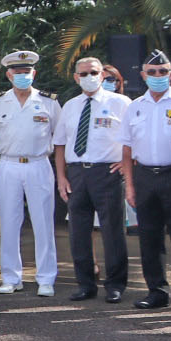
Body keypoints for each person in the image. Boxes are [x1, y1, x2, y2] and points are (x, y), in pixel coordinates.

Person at [121, 49, 171, 312]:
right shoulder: (134, 107)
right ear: (143, 75)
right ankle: (156, 291)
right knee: (149, 239)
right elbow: (127, 150)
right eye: (151, 72)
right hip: (144, 176)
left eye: (162, 72)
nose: (157, 76)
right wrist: (129, 185)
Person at [0, 52, 62, 296]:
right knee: (8, 221)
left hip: (39, 164)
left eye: (26, 72)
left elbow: (59, 136)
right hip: (9, 164)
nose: (22, 76)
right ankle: (10, 277)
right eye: (17, 73)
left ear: (33, 74)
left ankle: (46, 278)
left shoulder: (49, 102)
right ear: (9, 75)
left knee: (43, 222)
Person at [54, 54, 131, 302]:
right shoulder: (70, 105)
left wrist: (127, 162)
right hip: (77, 172)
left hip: (107, 172)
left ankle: (115, 285)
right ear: (76, 77)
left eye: (94, 72)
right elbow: (60, 144)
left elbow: (135, 138)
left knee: (113, 230)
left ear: (102, 75)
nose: (89, 77)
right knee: (78, 231)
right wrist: (62, 177)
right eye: (84, 73)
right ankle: (86, 284)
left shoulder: (121, 103)